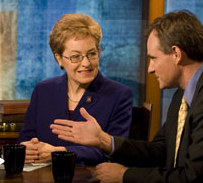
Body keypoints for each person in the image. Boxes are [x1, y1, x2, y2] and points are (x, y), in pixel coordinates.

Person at [50, 10, 203, 183]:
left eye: (153, 58)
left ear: (176, 54)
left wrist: (124, 175)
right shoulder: (181, 96)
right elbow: (160, 151)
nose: (150, 69)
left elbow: (192, 177)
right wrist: (104, 140)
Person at [18, 13, 133, 166]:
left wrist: (59, 153)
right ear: (59, 59)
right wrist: (26, 150)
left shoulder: (119, 95)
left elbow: (113, 150)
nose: (86, 63)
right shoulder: (42, 90)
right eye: (76, 56)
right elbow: (26, 139)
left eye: (92, 54)